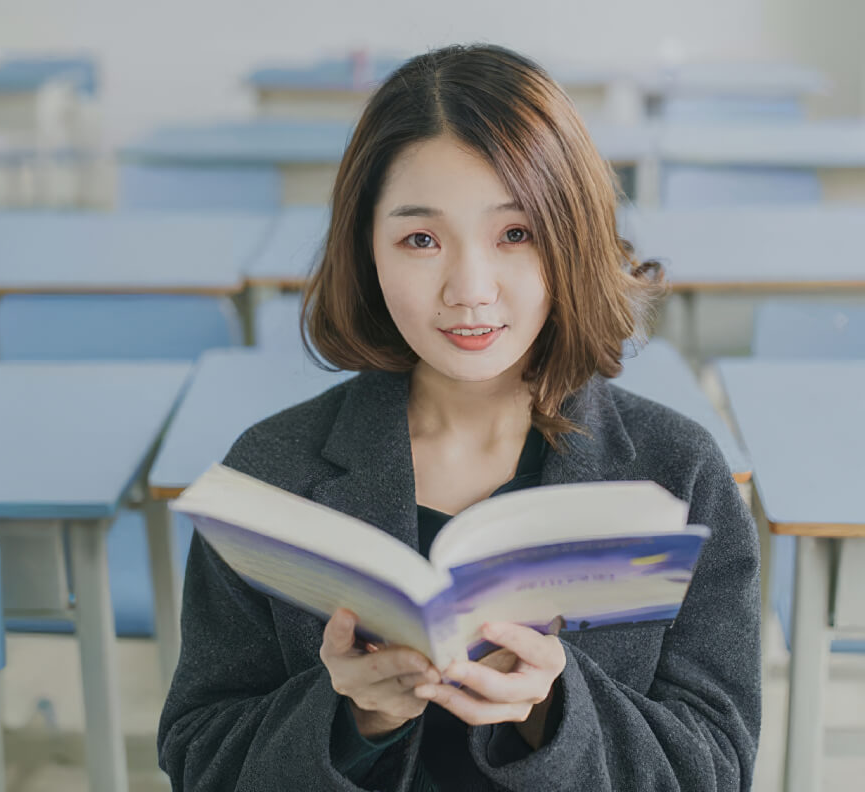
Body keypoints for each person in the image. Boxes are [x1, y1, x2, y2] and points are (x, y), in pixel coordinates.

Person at [158, 43, 760, 791]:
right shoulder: (273, 471)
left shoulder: (677, 473)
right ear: (367, 253)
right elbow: (200, 759)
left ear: (571, 239)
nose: (470, 290)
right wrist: (351, 719)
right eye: (420, 239)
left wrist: (553, 708)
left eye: (517, 234)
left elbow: (715, 769)